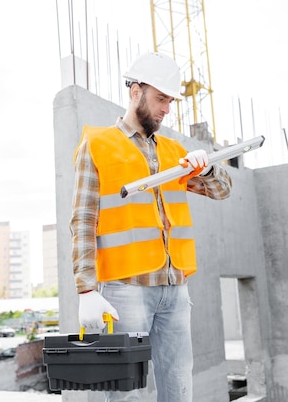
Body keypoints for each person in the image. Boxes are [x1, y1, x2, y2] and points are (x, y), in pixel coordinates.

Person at [70, 51, 232, 402]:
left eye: (170, 101)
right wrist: (85, 289)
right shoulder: (97, 145)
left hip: (175, 288)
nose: (166, 108)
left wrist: (206, 170)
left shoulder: (174, 152)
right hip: (126, 290)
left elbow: (222, 191)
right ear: (135, 91)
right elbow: (83, 219)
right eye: (160, 99)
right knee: (128, 394)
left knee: (179, 388)